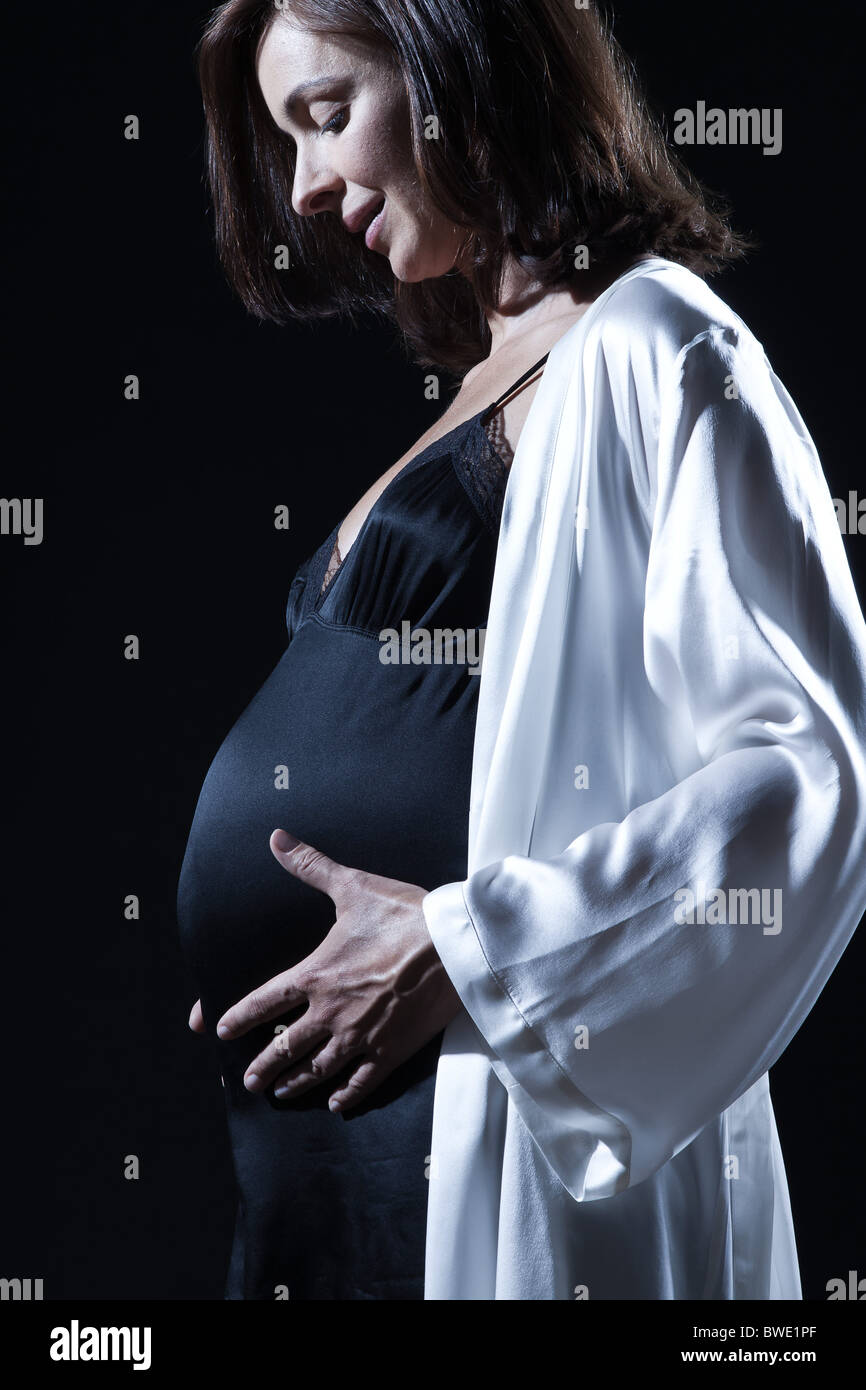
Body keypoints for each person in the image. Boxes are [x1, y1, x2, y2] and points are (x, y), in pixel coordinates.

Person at [177, 0, 866, 1300]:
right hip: (321, 1201)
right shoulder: (486, 381)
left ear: (457, 54)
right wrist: (265, 954)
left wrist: (468, 945)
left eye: (326, 115)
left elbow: (809, 779)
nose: (311, 186)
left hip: (496, 1187)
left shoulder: (658, 346)